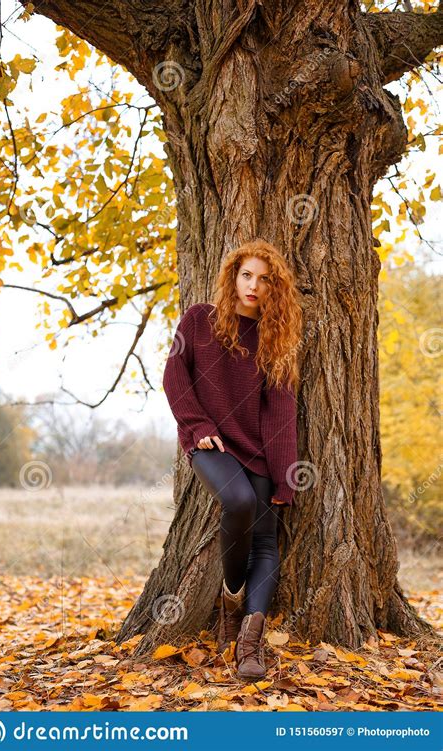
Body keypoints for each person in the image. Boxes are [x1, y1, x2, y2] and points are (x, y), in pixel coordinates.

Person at [162, 238, 302, 680]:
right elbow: (173, 373)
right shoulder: (200, 319)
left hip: (257, 449)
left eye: (264, 279)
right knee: (238, 502)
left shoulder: (275, 338)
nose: (254, 286)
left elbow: (280, 411)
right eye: (247, 275)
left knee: (265, 542)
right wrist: (198, 425)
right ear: (232, 277)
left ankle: (248, 640)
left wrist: (284, 477)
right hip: (209, 444)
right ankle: (230, 594)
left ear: (273, 287)